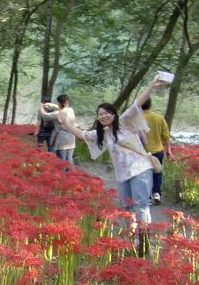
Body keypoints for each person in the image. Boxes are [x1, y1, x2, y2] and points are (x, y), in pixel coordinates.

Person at [60, 77, 169, 257]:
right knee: (127, 208)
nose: (103, 116)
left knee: (141, 206)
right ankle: (132, 240)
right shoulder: (102, 134)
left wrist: (151, 86)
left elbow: (137, 103)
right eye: (100, 114)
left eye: (106, 113)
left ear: (114, 113)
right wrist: (65, 124)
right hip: (123, 175)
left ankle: (143, 243)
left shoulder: (125, 122)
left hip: (140, 169)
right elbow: (82, 134)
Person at [141, 97, 172, 205]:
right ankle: (156, 193)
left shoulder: (136, 119)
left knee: (144, 173)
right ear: (151, 105)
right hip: (158, 150)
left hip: (142, 152)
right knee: (157, 172)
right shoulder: (159, 118)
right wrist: (169, 150)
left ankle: (147, 196)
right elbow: (166, 136)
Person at [39, 94, 76, 164]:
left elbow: (44, 116)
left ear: (59, 103)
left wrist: (41, 107)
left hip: (62, 140)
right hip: (71, 139)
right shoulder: (71, 110)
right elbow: (62, 107)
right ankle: (71, 174)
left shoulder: (57, 114)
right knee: (69, 160)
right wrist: (51, 104)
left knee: (61, 161)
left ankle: (62, 174)